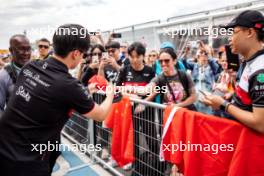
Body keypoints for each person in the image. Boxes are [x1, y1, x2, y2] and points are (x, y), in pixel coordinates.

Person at [0, 24, 114, 176]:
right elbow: (100, 114)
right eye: (83, 54)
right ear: (75, 53)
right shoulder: (68, 84)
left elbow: (51, 95)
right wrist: (111, 93)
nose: (83, 58)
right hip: (27, 161)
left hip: (4, 148)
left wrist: (86, 91)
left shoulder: (31, 67)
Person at [203, 10, 264, 133]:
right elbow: (248, 98)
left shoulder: (260, 69)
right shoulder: (249, 62)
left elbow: (260, 124)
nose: (230, 39)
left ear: (250, 32)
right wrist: (232, 95)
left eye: (234, 32)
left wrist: (223, 105)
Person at [0, 34, 31, 117]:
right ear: (11, 50)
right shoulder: (3, 76)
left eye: (28, 49)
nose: (26, 53)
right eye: (21, 49)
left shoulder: (38, 70)